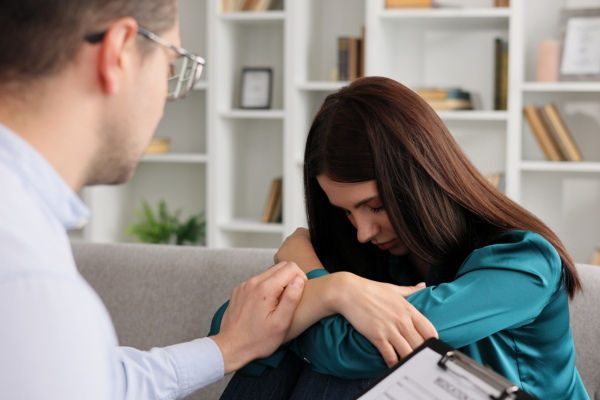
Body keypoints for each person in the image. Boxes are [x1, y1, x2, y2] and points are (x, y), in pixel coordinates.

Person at [211, 76, 590, 400]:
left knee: (347, 358)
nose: (361, 232)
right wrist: (334, 292)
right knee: (286, 355)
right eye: (346, 212)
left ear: (420, 181)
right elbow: (228, 331)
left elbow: (358, 352)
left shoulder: (525, 262)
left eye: (374, 206)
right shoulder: (375, 253)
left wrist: (313, 275)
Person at [0, 1, 307, 399]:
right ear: (119, 53)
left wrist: (229, 347)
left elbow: (102, 380)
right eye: (169, 68)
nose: (165, 101)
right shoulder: (32, 284)